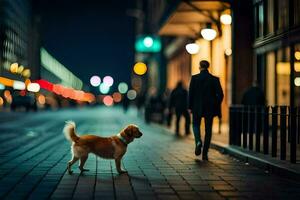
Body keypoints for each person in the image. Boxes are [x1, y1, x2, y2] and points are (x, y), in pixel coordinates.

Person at [189, 60, 224, 160]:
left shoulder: (194, 78)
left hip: (196, 107)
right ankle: (205, 153)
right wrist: (215, 104)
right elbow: (221, 94)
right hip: (210, 108)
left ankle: (198, 141)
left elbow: (190, 94)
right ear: (208, 67)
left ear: (200, 67)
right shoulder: (214, 79)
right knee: (208, 130)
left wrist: (190, 107)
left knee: (195, 125)